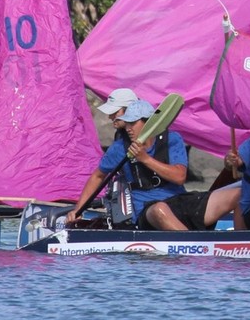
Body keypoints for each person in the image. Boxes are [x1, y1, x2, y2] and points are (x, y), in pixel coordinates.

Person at [67, 98, 188, 230]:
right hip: (149, 210)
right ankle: (194, 245)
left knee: (214, 198)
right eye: (127, 123)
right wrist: (78, 210)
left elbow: (180, 177)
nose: (128, 128)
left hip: (178, 202)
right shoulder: (119, 148)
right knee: (160, 210)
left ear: (149, 123)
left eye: (133, 123)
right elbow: (98, 176)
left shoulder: (172, 139)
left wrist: (145, 159)